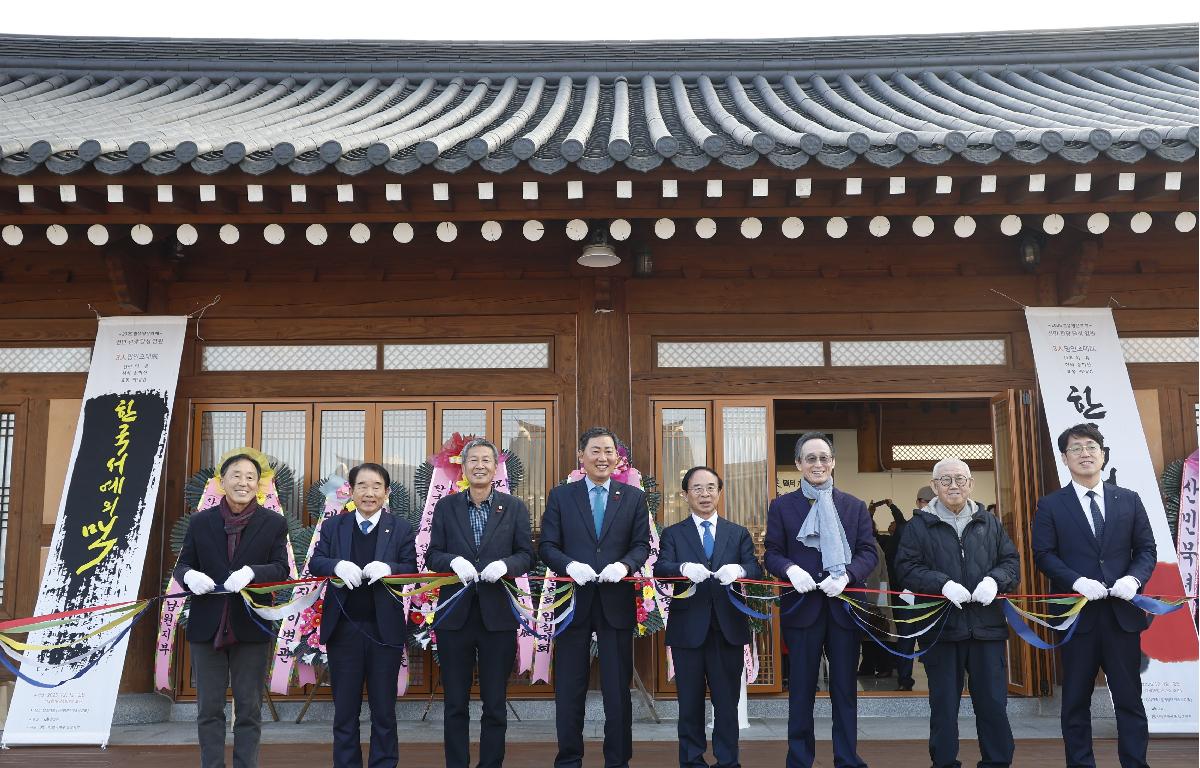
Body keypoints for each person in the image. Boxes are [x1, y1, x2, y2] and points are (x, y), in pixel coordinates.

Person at [1032, 423, 1156, 768]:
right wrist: (1075, 581)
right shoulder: (1051, 504)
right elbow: (1043, 554)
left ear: (1103, 454)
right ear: (1064, 458)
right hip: (1077, 617)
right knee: (1074, 701)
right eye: (1076, 449)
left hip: (1122, 617)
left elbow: (1146, 549)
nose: (1084, 453)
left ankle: (1135, 763)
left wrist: (1135, 578)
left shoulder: (1128, 500)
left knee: (1130, 699)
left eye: (1091, 447)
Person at [894, 458, 1020, 768]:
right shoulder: (918, 526)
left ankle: (997, 762)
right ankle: (945, 763)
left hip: (986, 628)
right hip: (942, 630)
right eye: (946, 480)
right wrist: (943, 584)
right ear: (934, 486)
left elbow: (1011, 564)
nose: (954, 485)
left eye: (960, 479)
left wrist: (995, 580)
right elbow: (906, 569)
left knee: (992, 705)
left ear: (971, 484)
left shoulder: (989, 523)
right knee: (943, 707)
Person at [539, 427, 651, 768]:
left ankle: (618, 760)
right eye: (595, 451)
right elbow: (547, 546)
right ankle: (569, 759)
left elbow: (641, 545)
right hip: (573, 601)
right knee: (570, 689)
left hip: (615, 601)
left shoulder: (632, 497)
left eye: (609, 452)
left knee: (618, 691)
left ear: (617, 458)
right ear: (581, 456)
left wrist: (625, 564)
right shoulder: (561, 496)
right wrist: (569, 565)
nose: (603, 458)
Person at [764, 432, 877, 768]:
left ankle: (846, 758)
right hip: (802, 610)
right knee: (800, 692)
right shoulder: (782, 506)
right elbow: (771, 553)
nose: (818, 464)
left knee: (845, 691)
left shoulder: (853, 506)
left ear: (832, 463)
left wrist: (848, 575)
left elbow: (869, 552)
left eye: (824, 458)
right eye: (810, 458)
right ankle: (799, 759)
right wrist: (790, 570)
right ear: (798, 464)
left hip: (844, 610)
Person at [174, 452, 290, 768]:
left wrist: (253, 572)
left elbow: (282, 568)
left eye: (250, 477)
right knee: (209, 708)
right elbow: (183, 564)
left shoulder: (274, 523)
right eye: (236, 475)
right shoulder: (199, 522)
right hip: (206, 626)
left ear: (259, 484)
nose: (243, 482)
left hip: (250, 626)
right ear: (222, 481)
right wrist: (188, 576)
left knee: (249, 707)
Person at [425, 438, 534, 768]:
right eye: (473, 460)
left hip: (497, 617)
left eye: (487, 459)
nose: (480, 465)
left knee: (495, 703)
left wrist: (506, 566)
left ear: (496, 466)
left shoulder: (514, 507)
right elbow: (432, 554)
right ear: (463, 465)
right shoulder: (447, 507)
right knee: (455, 702)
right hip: (454, 617)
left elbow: (527, 555)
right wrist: (452, 561)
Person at [309, 462, 417, 768]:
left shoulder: (400, 528)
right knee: (345, 710)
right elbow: (316, 563)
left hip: (385, 633)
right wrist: (335, 566)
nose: (369, 493)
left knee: (384, 710)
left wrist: (390, 569)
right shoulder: (334, 526)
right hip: (344, 630)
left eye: (376, 487)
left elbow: (411, 568)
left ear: (386, 492)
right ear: (351, 491)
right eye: (362, 486)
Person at [654, 466, 763, 768]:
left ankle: (728, 761)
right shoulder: (673, 533)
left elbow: (755, 570)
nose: (705, 494)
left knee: (727, 704)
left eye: (711, 487)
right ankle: (691, 761)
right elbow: (660, 569)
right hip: (688, 631)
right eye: (697, 488)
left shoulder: (737, 532)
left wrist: (740, 570)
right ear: (685, 494)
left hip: (728, 629)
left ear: (719, 491)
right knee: (689, 704)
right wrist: (682, 568)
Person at [878, 488, 934, 691]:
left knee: (932, 638)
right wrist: (903, 589)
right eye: (924, 501)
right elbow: (894, 563)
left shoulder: (942, 527)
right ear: (918, 502)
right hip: (908, 593)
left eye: (931, 501)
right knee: (906, 638)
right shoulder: (904, 528)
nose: (927, 504)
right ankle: (904, 679)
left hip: (934, 593)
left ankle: (935, 678)